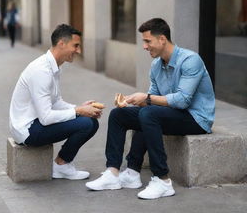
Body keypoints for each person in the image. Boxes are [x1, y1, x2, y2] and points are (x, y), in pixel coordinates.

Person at [86, 18, 215, 199]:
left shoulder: (190, 60)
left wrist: (146, 99)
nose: (145, 47)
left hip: (196, 118)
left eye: (148, 41)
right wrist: (133, 100)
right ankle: (119, 173)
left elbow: (183, 100)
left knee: (148, 113)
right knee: (118, 115)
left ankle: (162, 180)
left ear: (162, 39)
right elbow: (153, 98)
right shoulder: (156, 65)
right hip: (171, 113)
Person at [10, 24, 103, 180]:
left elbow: (56, 102)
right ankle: (61, 166)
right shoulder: (42, 71)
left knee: (90, 121)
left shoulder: (53, 66)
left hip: (36, 122)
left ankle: (62, 163)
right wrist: (79, 112)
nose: (79, 51)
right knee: (86, 124)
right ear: (61, 43)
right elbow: (46, 118)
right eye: (76, 45)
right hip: (27, 130)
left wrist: (80, 108)